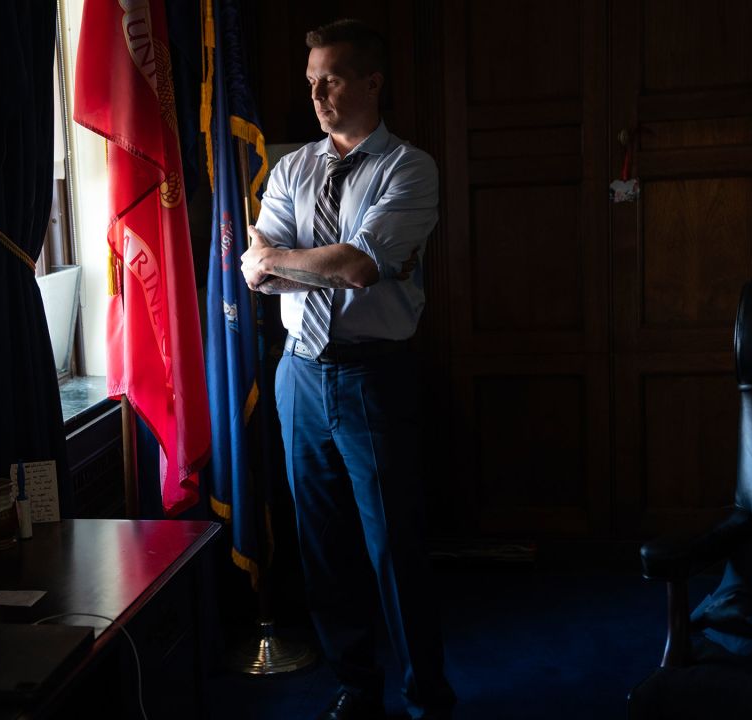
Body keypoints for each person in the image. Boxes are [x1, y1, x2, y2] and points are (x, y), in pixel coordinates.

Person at [240, 18, 455, 720]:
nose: (318, 94)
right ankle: (356, 688)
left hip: (373, 377)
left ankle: (426, 694)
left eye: (330, 79)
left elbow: (359, 267)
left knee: (394, 547)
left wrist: (282, 262)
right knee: (322, 548)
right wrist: (290, 264)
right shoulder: (294, 168)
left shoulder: (409, 168)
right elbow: (255, 273)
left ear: (371, 81)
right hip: (298, 376)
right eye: (310, 82)